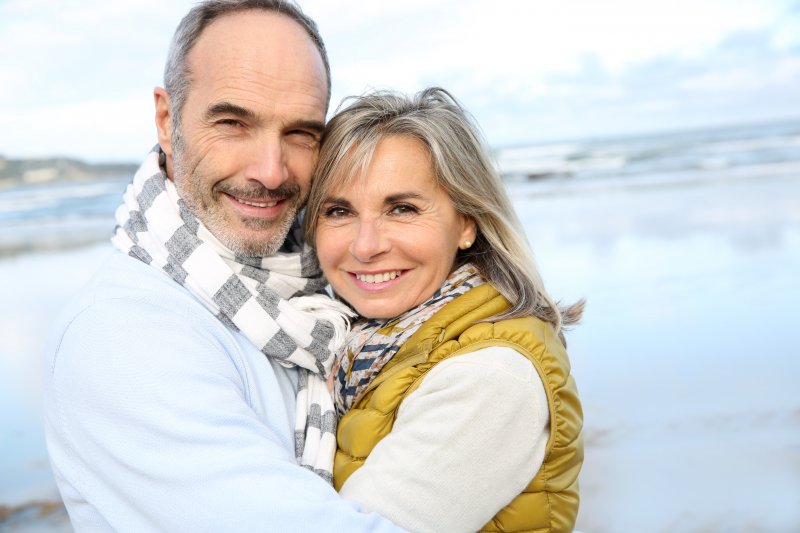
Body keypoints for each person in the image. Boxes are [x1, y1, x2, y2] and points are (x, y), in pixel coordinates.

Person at [42, 2, 402, 531]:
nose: (271, 171)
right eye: (233, 123)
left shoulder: (314, 291)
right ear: (168, 122)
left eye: (301, 133)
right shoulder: (120, 333)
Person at [303, 87, 585, 533]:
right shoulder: (357, 347)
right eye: (339, 211)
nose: (366, 245)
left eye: (402, 208)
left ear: (467, 222)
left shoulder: (490, 376)